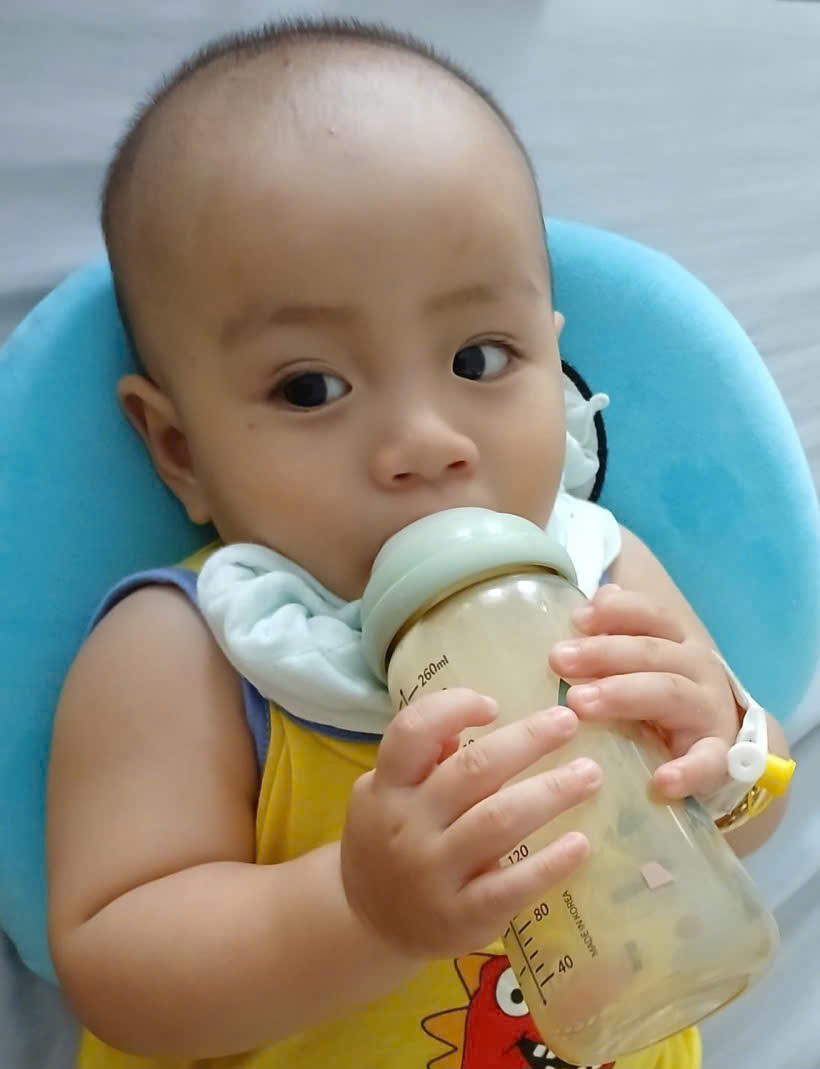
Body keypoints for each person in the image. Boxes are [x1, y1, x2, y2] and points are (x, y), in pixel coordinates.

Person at [45, 18, 790, 1069]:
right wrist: (359, 911)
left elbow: (737, 827)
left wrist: (722, 745)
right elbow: (118, 968)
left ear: (552, 363)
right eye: (311, 387)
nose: (425, 442)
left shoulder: (600, 570)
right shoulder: (191, 648)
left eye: (479, 359)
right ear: (179, 449)